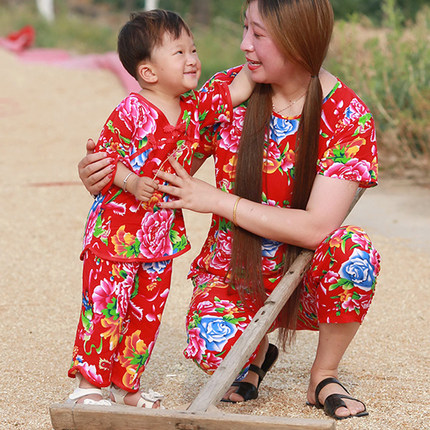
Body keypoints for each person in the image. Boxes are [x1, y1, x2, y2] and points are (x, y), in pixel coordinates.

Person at [78, 0, 381, 420]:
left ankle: (323, 374)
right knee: (210, 344)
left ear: (298, 39)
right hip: (233, 272)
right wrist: (109, 172)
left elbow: (317, 228)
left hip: (303, 279)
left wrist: (216, 199)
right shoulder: (226, 96)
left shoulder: (347, 114)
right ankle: (255, 356)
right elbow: (162, 164)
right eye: (244, 29)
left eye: (257, 34)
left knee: (354, 251)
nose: (243, 45)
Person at [68, 9, 254, 408]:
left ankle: (125, 385)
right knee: (107, 306)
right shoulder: (131, 111)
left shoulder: (194, 108)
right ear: (148, 73)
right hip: (115, 233)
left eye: (194, 49)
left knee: (146, 314)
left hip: (159, 237)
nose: (192, 59)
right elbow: (104, 157)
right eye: (179, 52)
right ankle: (89, 384)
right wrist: (131, 181)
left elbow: (238, 89)